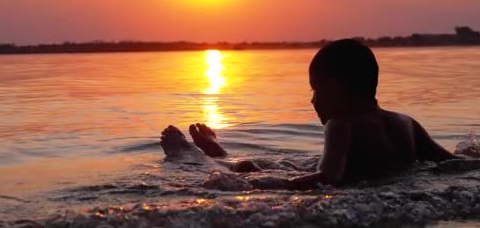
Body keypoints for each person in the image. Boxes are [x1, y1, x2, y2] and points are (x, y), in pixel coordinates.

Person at [160, 39, 457, 189]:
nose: (312, 101)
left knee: (249, 169)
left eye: (315, 90)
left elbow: (330, 177)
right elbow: (454, 164)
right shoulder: (406, 123)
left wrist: (271, 184)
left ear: (334, 87)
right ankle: (216, 152)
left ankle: (205, 154)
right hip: (392, 193)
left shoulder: (341, 124)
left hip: (354, 196)